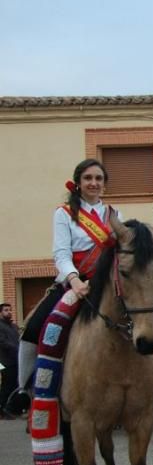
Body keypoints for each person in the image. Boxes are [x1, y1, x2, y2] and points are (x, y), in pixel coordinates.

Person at [9, 159, 123, 415]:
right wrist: (74, 280)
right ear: (79, 183)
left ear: (104, 184)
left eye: (99, 179)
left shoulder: (114, 215)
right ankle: (25, 390)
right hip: (74, 283)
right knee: (34, 328)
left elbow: (119, 254)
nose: (94, 183)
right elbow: (61, 253)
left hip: (104, 284)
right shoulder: (64, 213)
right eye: (88, 178)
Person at [0, 303, 19, 418]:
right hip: (5, 361)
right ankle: (2, 409)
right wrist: (16, 347)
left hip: (15, 359)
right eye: (6, 310)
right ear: (1, 312)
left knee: (15, 385)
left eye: (10, 310)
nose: (9, 312)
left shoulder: (13, 326)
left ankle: (12, 408)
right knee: (7, 385)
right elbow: (2, 342)